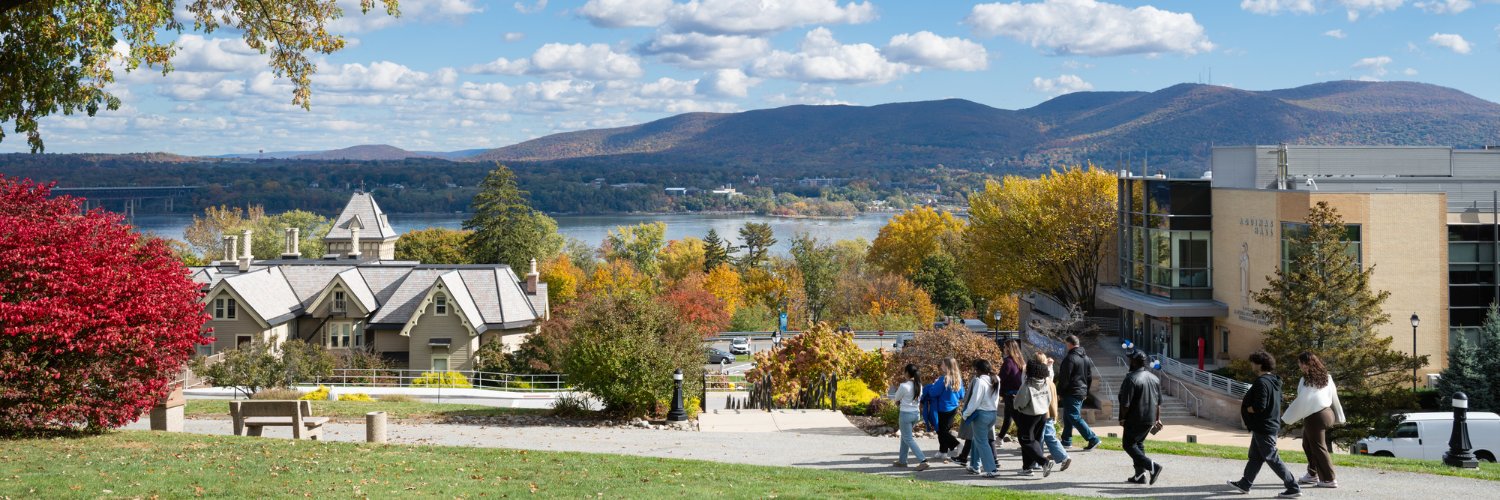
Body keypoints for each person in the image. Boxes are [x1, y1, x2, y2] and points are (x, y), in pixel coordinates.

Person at [1226, 351, 1300, 498]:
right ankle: (1245, 483)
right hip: (1268, 424)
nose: (1252, 365)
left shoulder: (1261, 382)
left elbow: (1260, 405)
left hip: (1264, 427)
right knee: (1255, 456)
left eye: (1253, 362)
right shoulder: (1274, 381)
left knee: (1272, 457)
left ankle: (1293, 487)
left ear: (1260, 364)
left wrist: (1247, 408)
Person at [1282, 352, 1345, 489]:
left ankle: (1329, 479)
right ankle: (1312, 473)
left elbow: (1302, 400)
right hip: (1327, 414)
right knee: (1307, 443)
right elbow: (1333, 397)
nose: (1299, 366)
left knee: (1318, 447)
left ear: (1305, 364)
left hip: (1315, 417)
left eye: (1300, 363)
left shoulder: (1306, 380)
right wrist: (1339, 416)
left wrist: (1287, 417)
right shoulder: (1327, 377)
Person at [1118, 351, 1163, 485]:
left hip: (1135, 417)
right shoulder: (1154, 378)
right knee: (1138, 444)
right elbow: (1158, 402)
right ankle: (1140, 475)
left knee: (1128, 445)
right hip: (1149, 417)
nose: (1129, 361)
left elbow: (1125, 403)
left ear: (1134, 362)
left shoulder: (1131, 378)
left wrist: (1122, 418)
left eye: (1131, 359)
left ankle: (1152, 466)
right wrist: (1157, 419)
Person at [1013, 358, 1056, 476]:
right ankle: (1027, 467)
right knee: (1034, 441)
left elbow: (1019, 403)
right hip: (1042, 414)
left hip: (1028, 416)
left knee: (1025, 441)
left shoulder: (1027, 385)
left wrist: (1017, 404)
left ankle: (1044, 462)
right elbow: (1049, 398)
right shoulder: (1046, 382)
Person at [1058, 335, 1101, 451]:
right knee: (1068, 416)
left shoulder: (1070, 358)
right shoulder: (1085, 358)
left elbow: (1064, 378)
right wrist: (1086, 392)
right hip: (1080, 391)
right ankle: (1066, 440)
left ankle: (1093, 439)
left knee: (1073, 416)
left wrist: (1060, 392)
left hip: (1072, 392)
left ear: (1069, 344)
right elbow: (1089, 377)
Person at [962, 358, 1002, 477]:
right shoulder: (996, 379)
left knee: (982, 441)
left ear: (978, 370)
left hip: (981, 415)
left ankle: (991, 469)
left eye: (975, 370)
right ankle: (975, 465)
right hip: (992, 414)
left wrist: (965, 414)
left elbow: (975, 401)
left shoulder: (980, 381)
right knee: (977, 439)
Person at [921, 358, 966, 461]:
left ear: (947, 366)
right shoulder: (958, 379)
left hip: (942, 408)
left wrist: (933, 384)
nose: (941, 366)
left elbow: (933, 393)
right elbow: (961, 395)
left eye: (942, 364)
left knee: (941, 431)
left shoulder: (943, 379)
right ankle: (943, 451)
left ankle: (958, 445)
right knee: (944, 430)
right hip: (953, 408)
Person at [891, 363, 931, 471]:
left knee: (908, 438)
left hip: (905, 414)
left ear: (907, 373)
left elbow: (896, 398)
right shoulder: (919, 385)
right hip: (915, 414)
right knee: (905, 437)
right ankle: (902, 461)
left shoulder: (904, 386)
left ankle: (923, 460)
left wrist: (899, 400)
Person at [1040, 353, 1072, 472]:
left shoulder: (1039, 377)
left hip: (1041, 411)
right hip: (1049, 411)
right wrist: (1050, 366)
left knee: (1039, 437)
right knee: (1049, 435)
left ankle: (1037, 462)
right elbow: (1050, 376)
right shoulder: (1048, 377)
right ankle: (1063, 457)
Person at [998, 340, 1027, 446]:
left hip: (1010, 394)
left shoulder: (1008, 362)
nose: (1003, 349)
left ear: (1009, 348)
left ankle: (1027, 443)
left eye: (1005, 347)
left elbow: (1001, 378)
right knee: (1008, 416)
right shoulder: (1020, 360)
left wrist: (999, 391)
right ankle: (1000, 437)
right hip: (1018, 393)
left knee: (1019, 421)